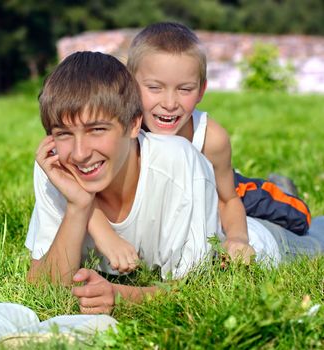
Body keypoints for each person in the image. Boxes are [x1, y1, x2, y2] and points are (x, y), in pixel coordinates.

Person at [86, 22, 312, 273]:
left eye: (184, 89)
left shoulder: (211, 138)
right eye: (154, 88)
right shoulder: (122, 128)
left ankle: (283, 190)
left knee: (296, 218)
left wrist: (237, 239)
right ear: (130, 84)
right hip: (175, 192)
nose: (169, 103)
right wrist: (106, 234)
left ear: (202, 90)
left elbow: (229, 200)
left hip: (221, 188)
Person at [26, 50, 221, 313]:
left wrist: (121, 295)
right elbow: (42, 288)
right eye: (64, 134)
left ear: (132, 124)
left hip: (228, 208)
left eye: (97, 130)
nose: (80, 153)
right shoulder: (57, 169)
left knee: (282, 228)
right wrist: (79, 207)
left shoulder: (179, 164)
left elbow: (196, 290)